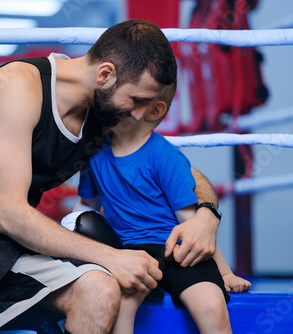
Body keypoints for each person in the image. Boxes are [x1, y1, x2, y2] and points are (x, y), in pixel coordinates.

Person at [0, 19, 221, 334]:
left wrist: (206, 215)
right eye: (136, 100)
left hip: (8, 247)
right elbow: (9, 215)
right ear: (105, 74)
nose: (137, 114)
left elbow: (181, 170)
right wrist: (112, 257)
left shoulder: (106, 115)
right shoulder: (19, 87)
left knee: (100, 290)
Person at [68, 82, 251, 333]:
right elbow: (87, 206)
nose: (108, 104)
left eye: (123, 99)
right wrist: (65, 243)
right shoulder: (94, 154)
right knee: (119, 308)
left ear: (153, 111)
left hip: (175, 249)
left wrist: (226, 273)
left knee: (211, 305)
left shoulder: (164, 156)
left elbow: (193, 225)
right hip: (127, 254)